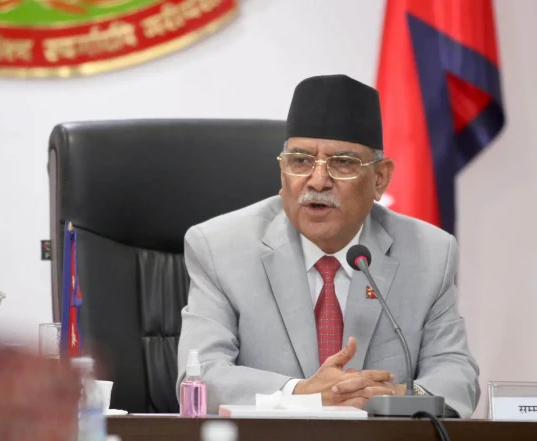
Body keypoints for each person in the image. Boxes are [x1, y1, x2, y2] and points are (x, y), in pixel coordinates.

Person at [176, 74, 480, 417]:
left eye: (343, 163)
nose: (318, 181)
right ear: (282, 172)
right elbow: (200, 376)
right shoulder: (219, 248)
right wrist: (300, 393)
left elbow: (457, 376)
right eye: (300, 161)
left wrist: (393, 396)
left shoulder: (429, 254)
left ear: (380, 178)